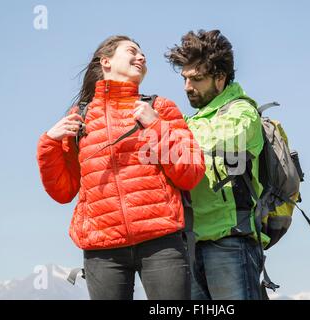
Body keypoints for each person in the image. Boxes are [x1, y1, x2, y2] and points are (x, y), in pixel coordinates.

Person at [36, 35, 205, 300]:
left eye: (143, 54)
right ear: (106, 62)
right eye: (132, 51)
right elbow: (63, 192)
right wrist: (48, 144)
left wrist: (156, 127)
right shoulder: (78, 118)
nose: (142, 57)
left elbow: (191, 173)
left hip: (161, 242)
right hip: (102, 248)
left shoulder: (159, 108)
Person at [166, 29, 268, 300]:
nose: (188, 87)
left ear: (220, 78)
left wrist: (165, 134)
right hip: (191, 243)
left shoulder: (242, 112)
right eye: (185, 78)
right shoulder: (189, 122)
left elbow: (219, 140)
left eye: (197, 79)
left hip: (231, 242)